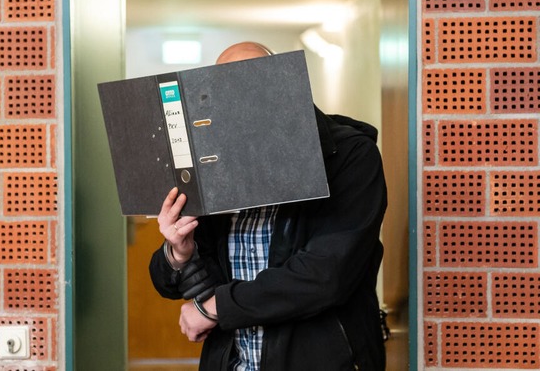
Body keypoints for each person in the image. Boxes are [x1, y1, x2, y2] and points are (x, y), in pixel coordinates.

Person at [149, 41, 388, 370]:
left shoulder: (349, 157)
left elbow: (324, 276)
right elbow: (173, 283)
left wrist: (214, 307)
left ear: (283, 87)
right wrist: (178, 252)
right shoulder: (215, 164)